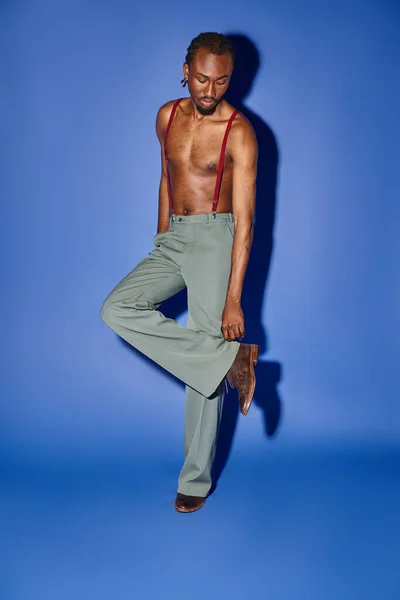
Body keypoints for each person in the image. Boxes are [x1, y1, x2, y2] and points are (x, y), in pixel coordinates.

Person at [100, 32, 259, 513]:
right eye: (202, 79)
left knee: (202, 368)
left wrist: (234, 298)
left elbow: (247, 222)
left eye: (222, 82)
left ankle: (195, 479)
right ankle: (229, 360)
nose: (210, 92)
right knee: (116, 309)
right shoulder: (166, 116)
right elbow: (167, 177)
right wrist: (161, 237)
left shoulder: (240, 131)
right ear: (186, 70)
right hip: (175, 236)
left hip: (217, 238)